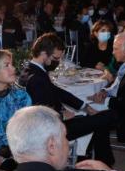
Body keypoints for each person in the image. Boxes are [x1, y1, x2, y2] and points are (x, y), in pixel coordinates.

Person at [22, 33, 116, 164]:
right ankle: (101, 163)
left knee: (100, 120)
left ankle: (96, 161)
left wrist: (84, 106)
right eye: (55, 58)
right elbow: (40, 112)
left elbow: (59, 92)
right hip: (55, 128)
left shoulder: (33, 70)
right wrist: (62, 115)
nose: (57, 62)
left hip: (59, 121)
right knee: (107, 117)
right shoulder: (36, 78)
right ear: (43, 54)